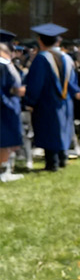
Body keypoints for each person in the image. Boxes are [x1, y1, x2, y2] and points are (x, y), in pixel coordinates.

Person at [23, 24, 80, 171]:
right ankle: (63, 159)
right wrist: (76, 91)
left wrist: (30, 101)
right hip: (65, 101)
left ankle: (52, 163)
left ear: (40, 41)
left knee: (49, 130)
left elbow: (36, 83)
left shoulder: (41, 59)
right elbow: (72, 81)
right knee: (63, 129)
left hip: (47, 102)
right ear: (58, 41)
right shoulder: (67, 58)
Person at [0, 39, 25, 181]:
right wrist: (9, 102)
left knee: (8, 141)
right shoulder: (2, 65)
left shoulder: (6, 64)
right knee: (4, 141)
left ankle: (6, 169)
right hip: (5, 109)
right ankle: (3, 172)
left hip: (10, 106)